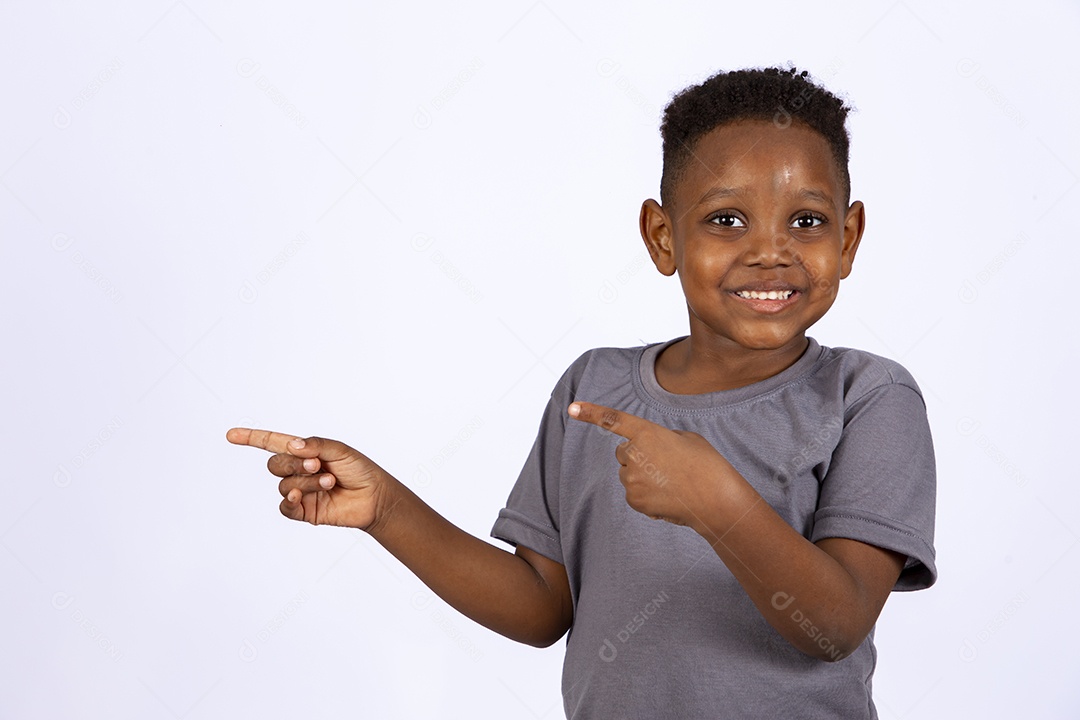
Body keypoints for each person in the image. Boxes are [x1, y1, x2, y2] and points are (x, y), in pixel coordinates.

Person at [227, 66, 937, 719]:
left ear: (848, 238)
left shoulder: (868, 397)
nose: (770, 251)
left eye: (807, 222)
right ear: (662, 237)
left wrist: (716, 502)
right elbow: (542, 609)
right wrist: (386, 508)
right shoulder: (595, 389)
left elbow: (836, 626)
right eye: (726, 219)